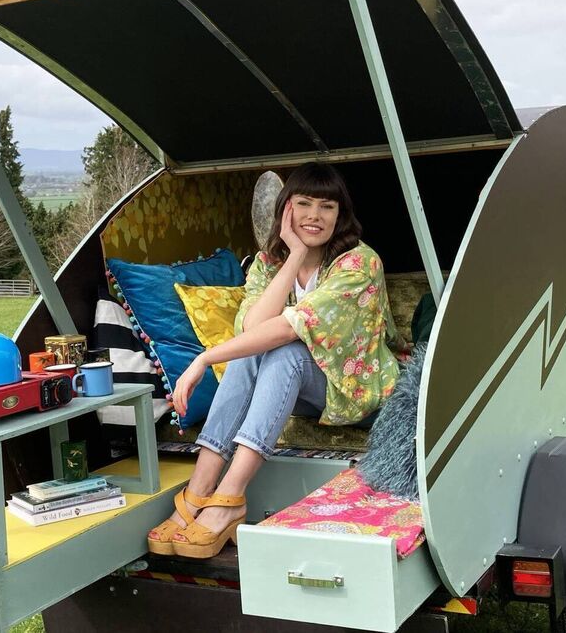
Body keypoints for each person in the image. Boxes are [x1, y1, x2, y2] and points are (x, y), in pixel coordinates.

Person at [147, 162, 406, 559]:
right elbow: (252, 327)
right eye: (303, 203)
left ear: (341, 214)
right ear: (286, 208)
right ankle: (200, 488)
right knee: (252, 352)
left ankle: (230, 497)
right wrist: (295, 255)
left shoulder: (359, 263)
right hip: (306, 391)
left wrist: (204, 359)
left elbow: (287, 329)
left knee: (286, 350)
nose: (315, 216)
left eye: (327, 206)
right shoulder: (269, 262)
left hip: (359, 393)